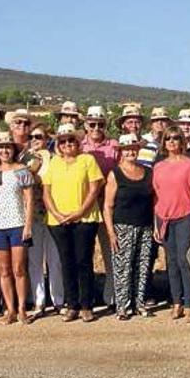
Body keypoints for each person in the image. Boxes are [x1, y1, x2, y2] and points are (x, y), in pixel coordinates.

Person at [43, 124, 103, 322]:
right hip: (57, 220)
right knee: (65, 262)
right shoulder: (54, 163)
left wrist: (79, 212)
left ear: (78, 142)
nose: (67, 144)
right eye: (63, 141)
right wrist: (56, 214)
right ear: (58, 145)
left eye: (71, 140)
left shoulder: (87, 160)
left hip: (85, 219)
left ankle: (86, 305)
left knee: (83, 261)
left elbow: (94, 189)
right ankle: (71, 304)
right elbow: (46, 192)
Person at [152, 128, 190, 322]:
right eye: (168, 138)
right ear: (163, 142)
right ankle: (176, 303)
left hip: (186, 216)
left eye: (176, 138)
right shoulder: (158, 167)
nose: (172, 142)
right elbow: (155, 196)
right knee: (171, 262)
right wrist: (155, 223)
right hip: (164, 217)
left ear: (182, 141)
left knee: (184, 260)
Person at [104, 134, 155, 320]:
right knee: (122, 268)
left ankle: (139, 303)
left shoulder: (148, 172)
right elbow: (108, 205)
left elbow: (154, 200)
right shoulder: (115, 174)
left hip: (145, 225)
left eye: (133, 148)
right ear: (121, 152)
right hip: (122, 226)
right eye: (127, 149)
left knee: (142, 266)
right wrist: (111, 232)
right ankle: (123, 307)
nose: (131, 151)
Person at [0, 132, 34, 324]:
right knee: (4, 270)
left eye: (8, 147)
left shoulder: (22, 171)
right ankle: (10, 309)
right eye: (0, 147)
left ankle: (22, 308)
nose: (4, 150)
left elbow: (29, 200)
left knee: (19, 269)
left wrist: (28, 225)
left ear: (13, 149)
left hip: (17, 225)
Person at [80, 105, 120, 308]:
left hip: (106, 205)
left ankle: (111, 296)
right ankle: (84, 296)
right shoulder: (78, 145)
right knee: (84, 254)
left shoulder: (113, 145)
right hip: (84, 207)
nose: (96, 128)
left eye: (100, 124)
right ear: (86, 124)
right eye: (92, 124)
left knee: (109, 251)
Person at [24, 124, 63, 317]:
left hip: (53, 214)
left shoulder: (55, 159)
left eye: (38, 136)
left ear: (47, 138)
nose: (34, 139)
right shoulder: (23, 157)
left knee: (55, 260)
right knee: (35, 261)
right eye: (31, 136)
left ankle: (58, 300)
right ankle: (38, 301)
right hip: (33, 217)